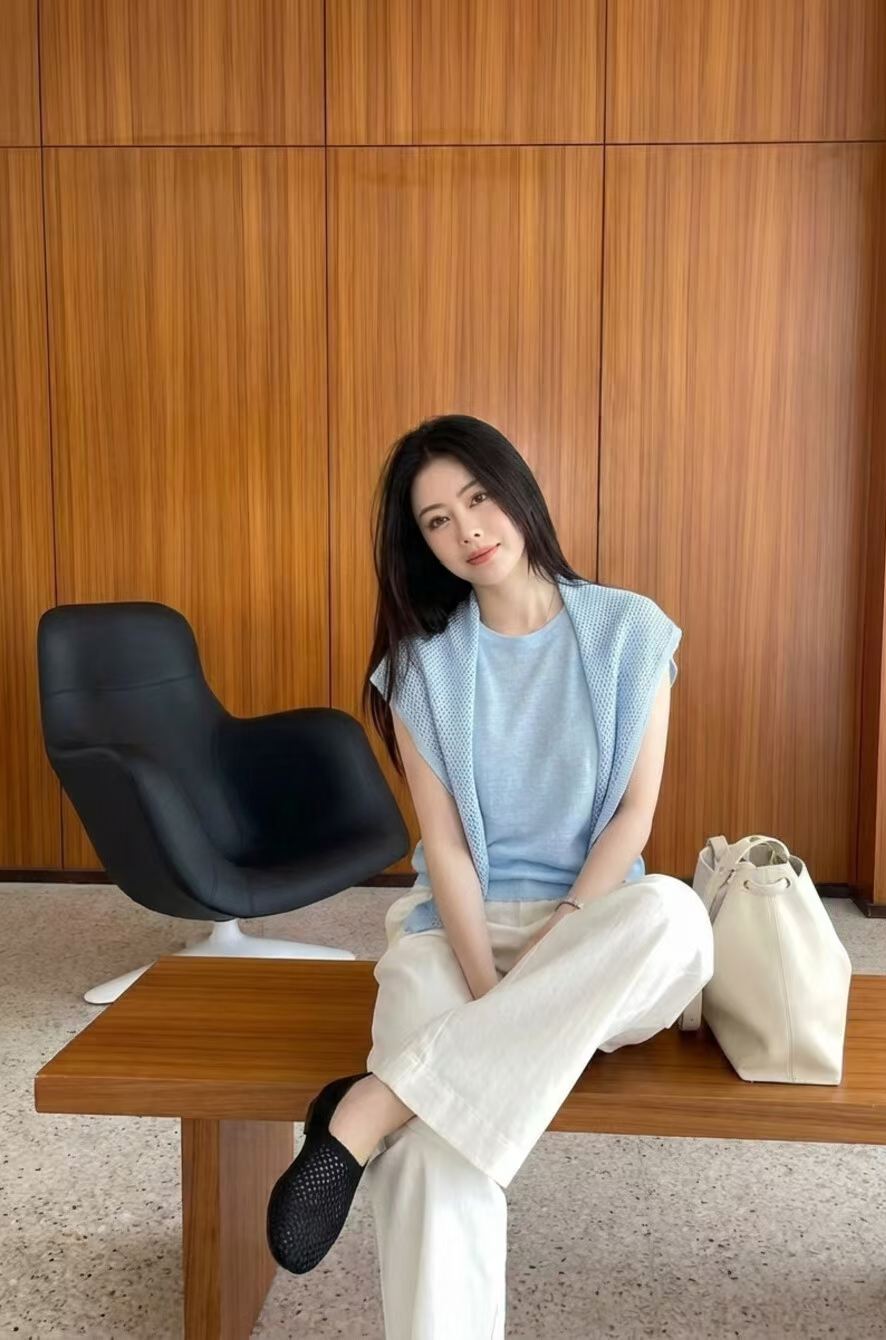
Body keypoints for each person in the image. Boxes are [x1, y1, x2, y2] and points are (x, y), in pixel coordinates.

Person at [266, 414, 714, 1337]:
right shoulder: (421, 668)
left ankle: (372, 1104)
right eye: (437, 520)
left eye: (477, 498)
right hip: (458, 932)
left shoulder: (631, 632)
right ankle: (413, 1105)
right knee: (437, 1155)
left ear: (517, 490)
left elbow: (634, 818)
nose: (467, 529)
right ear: (422, 545)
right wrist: (489, 990)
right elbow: (447, 849)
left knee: (675, 914)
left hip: (598, 938)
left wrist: (558, 942)